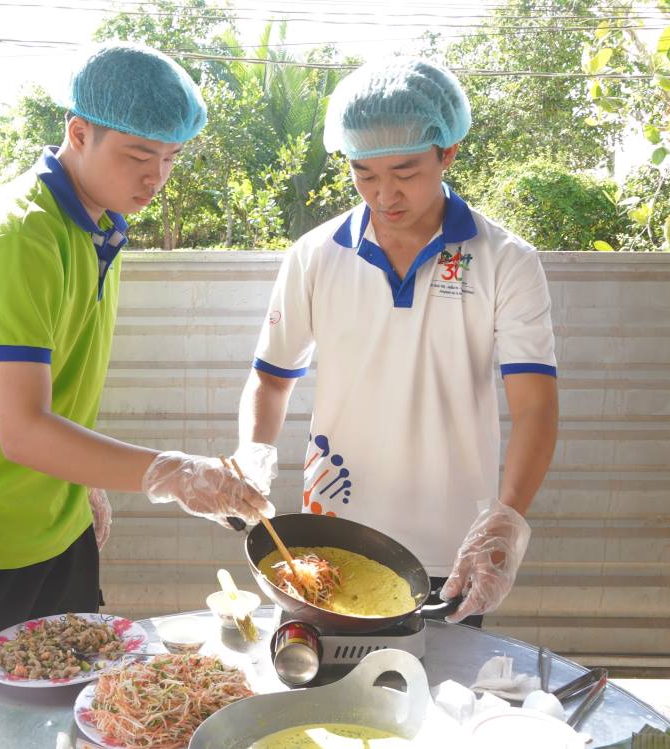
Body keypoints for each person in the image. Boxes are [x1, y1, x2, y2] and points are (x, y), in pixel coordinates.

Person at [0, 42, 273, 721]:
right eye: (138, 155)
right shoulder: (19, 236)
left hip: (58, 523)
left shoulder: (102, 225)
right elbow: (21, 428)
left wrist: (85, 481)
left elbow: (57, 386)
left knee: (79, 711)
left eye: (171, 157)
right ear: (78, 133)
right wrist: (173, 472)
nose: (156, 176)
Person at [234, 57, 558, 627]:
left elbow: (535, 408)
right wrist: (255, 455)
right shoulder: (315, 255)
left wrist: (504, 522)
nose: (385, 195)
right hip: (329, 542)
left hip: (453, 551)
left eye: (405, 172)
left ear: (448, 152)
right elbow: (270, 377)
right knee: (319, 705)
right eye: (365, 174)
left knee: (434, 706)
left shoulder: (507, 260)